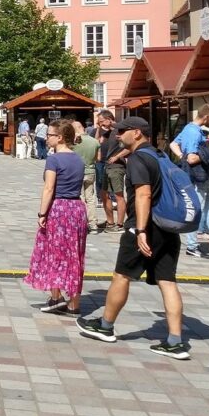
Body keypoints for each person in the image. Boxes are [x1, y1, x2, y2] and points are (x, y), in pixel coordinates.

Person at [77, 117, 191, 359]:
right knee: (168, 281)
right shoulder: (159, 155)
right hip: (168, 227)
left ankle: (105, 326)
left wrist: (139, 231)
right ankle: (175, 341)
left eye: (122, 131)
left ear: (137, 133)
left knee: (122, 275)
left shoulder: (139, 158)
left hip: (145, 228)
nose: (118, 135)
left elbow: (143, 194)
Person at [25, 120, 87, 316]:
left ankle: (56, 297)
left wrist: (42, 213)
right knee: (75, 255)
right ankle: (74, 304)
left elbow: (49, 188)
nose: (47, 137)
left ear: (60, 137)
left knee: (55, 253)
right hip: (77, 208)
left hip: (59, 208)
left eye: (50, 135)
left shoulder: (54, 159)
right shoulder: (78, 159)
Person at [170, 104, 209, 257]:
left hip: (202, 178)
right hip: (198, 177)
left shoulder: (189, 129)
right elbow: (192, 159)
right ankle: (192, 246)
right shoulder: (193, 132)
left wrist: (182, 156)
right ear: (207, 116)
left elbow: (173, 144)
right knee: (198, 211)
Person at [97, 111, 129, 231]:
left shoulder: (120, 130)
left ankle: (119, 224)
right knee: (103, 194)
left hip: (117, 167)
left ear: (109, 119)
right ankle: (110, 222)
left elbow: (129, 147)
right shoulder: (109, 131)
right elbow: (97, 142)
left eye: (101, 121)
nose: (100, 124)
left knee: (118, 195)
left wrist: (116, 156)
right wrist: (99, 128)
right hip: (107, 166)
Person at [72, 120, 100, 232]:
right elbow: (98, 158)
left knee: (80, 197)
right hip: (90, 171)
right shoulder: (95, 141)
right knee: (91, 198)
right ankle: (93, 224)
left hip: (77, 172)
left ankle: (82, 222)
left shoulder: (74, 142)